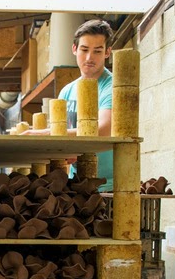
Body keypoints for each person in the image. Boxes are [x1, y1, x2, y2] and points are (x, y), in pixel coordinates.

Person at [23, 19, 115, 191]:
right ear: (74, 49)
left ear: (107, 52)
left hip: (109, 187)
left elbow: (104, 130)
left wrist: (45, 134)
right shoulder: (67, 91)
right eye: (84, 49)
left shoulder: (112, 87)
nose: (89, 58)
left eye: (97, 51)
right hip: (77, 183)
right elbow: (64, 137)